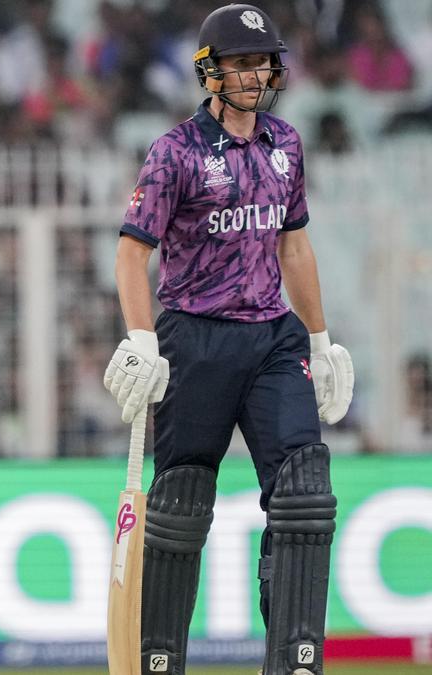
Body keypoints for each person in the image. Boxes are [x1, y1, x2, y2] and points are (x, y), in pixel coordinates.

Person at [102, 5, 353, 675]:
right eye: (239, 63)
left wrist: (321, 339)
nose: (252, 74)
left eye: (261, 61)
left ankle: (295, 660)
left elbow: (294, 247)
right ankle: (160, 660)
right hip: (196, 336)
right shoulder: (175, 152)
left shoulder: (286, 143)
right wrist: (143, 338)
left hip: (274, 336)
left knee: (305, 492)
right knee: (183, 501)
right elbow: (132, 253)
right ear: (211, 70)